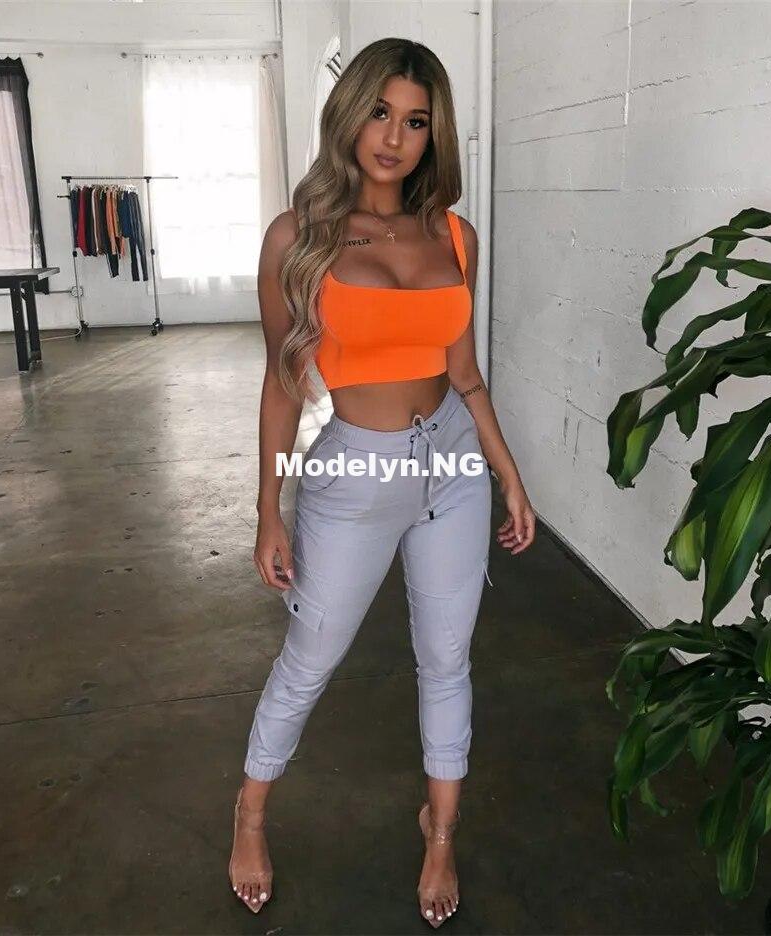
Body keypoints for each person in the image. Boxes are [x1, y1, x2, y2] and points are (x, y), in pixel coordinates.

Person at [228, 36, 536, 928]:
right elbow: (282, 382)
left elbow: (464, 374)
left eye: (416, 121)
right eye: (379, 112)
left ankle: (440, 834)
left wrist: (508, 474)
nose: (394, 138)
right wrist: (269, 509)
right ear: (350, 113)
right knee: (311, 657)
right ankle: (250, 812)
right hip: (353, 473)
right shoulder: (298, 238)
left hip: (452, 465)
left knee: (446, 660)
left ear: (435, 133)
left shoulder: (455, 236)